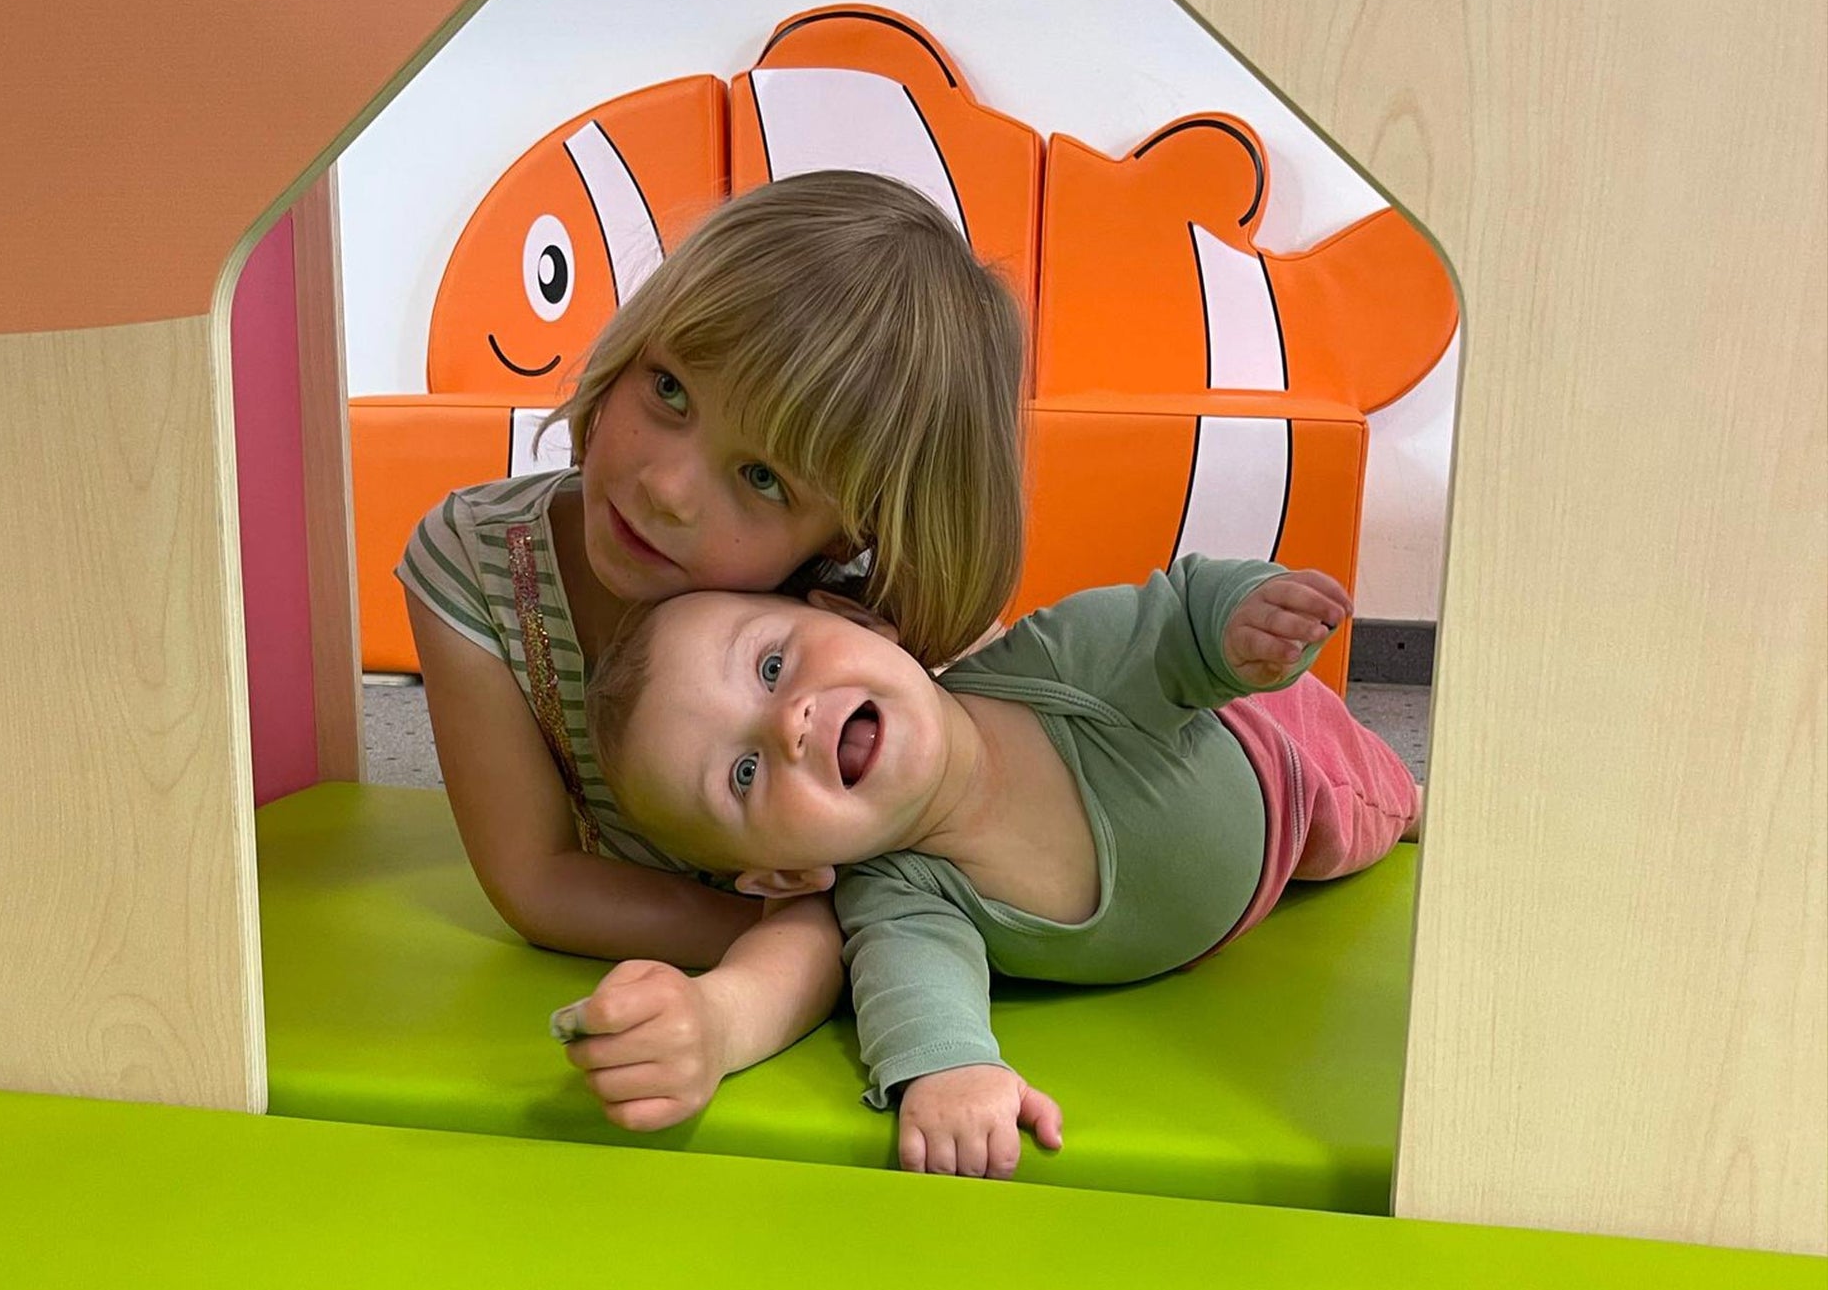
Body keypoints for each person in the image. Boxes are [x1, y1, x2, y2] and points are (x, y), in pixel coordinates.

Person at [399, 172, 1027, 1132]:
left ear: (845, 535)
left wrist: (815, 952)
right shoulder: (476, 565)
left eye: (764, 477)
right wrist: (794, 944)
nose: (668, 488)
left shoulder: (858, 630)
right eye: (670, 389)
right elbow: (536, 879)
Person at [585, 557, 1419, 1177]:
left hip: (1283, 759)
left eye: (772, 667)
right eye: (743, 774)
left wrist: (1243, 622)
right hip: (1228, 881)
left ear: (861, 623)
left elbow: (1173, 621)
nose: (787, 725)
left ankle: (1416, 798)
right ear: (785, 876)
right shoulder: (898, 896)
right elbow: (921, 993)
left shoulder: (1055, 663)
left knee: (1379, 819)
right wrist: (951, 1071)